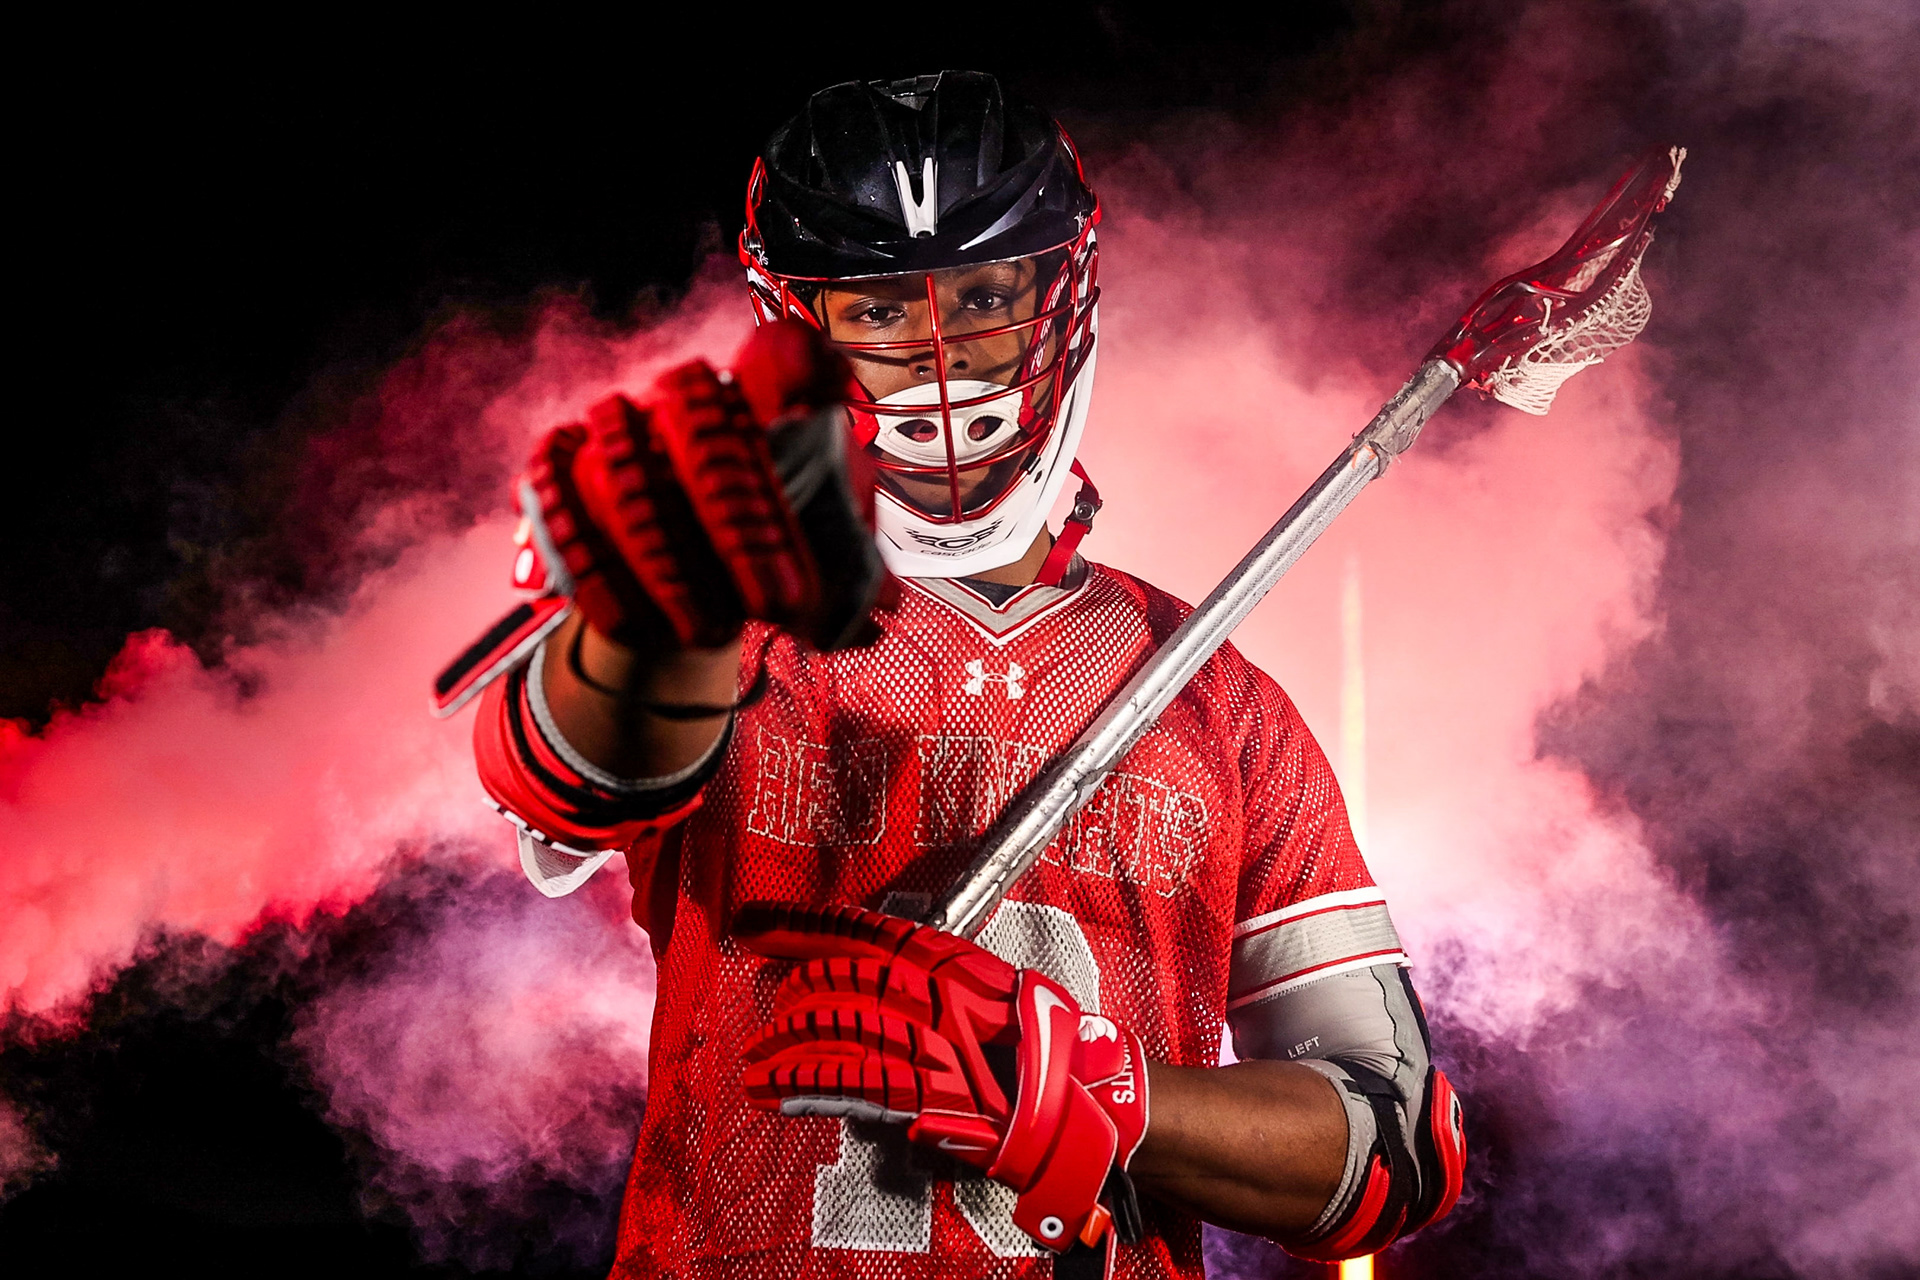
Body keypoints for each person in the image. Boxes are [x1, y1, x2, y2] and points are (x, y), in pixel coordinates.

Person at [446, 70, 1465, 1280]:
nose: (939, 348)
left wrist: (1099, 1093)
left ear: (1056, 294)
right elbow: (568, 773)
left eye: (983, 293)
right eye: (881, 307)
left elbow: (1396, 1144)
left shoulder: (1221, 700)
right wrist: (663, 615)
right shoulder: (728, 616)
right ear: (801, 329)